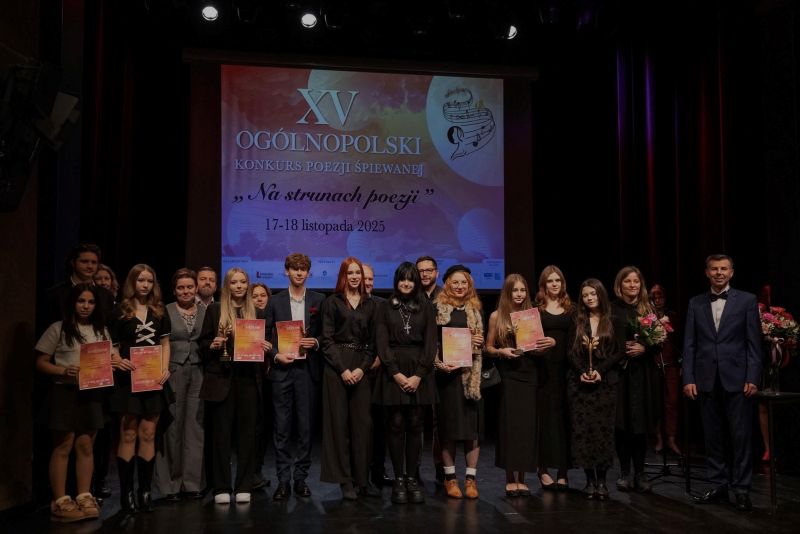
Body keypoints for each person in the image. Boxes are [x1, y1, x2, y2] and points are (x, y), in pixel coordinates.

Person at [683, 254, 761, 511]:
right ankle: (718, 485)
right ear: (707, 272)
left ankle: (742, 489)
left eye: (723, 269)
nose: (719, 273)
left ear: (731, 272)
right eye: (714, 269)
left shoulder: (747, 300)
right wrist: (688, 378)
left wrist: (752, 377)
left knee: (740, 437)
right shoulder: (696, 303)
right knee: (712, 436)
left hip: (737, 379)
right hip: (706, 379)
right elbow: (690, 344)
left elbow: (753, 343)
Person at [35, 284, 110, 522]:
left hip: (91, 393)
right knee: (64, 445)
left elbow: (108, 357)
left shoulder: (101, 330)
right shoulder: (58, 328)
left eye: (91, 302)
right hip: (64, 392)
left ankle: (84, 495)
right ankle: (60, 499)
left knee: (86, 445)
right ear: (72, 303)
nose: (86, 306)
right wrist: (62, 370)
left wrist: (114, 363)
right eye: (81, 301)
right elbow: (41, 362)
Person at [198, 267, 271, 505]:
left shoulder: (257, 312)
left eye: (242, 282)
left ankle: (243, 485)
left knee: (247, 436)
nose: (238, 286)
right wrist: (213, 345)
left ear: (247, 285)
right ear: (227, 286)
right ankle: (221, 486)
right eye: (234, 282)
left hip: (248, 379)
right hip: (222, 378)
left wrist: (267, 347)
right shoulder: (215, 310)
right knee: (221, 435)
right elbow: (202, 344)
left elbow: (266, 344)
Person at [108, 264, 171, 513]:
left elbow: (165, 343)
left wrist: (165, 368)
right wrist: (117, 359)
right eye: (140, 280)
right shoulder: (119, 311)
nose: (145, 285)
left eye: (149, 281)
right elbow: (112, 345)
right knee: (128, 433)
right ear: (132, 282)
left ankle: (145, 492)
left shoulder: (159, 310)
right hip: (128, 380)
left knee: (148, 433)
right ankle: (127, 494)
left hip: (153, 379)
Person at [374, 262, 437, 504]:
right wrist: (396, 373)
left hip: (419, 370)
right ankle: (399, 478)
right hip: (394, 371)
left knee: (416, 424)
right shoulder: (385, 307)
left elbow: (430, 344)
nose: (407, 283)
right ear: (396, 281)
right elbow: (381, 343)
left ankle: (412, 478)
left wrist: (419, 374)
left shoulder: (426, 307)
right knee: (396, 424)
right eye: (403, 279)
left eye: (411, 279)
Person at [266, 253, 325, 500]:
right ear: (286, 271)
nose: (299, 272)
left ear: (308, 273)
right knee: (281, 428)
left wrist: (316, 342)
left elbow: (327, 334)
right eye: (294, 268)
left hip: (307, 371)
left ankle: (300, 479)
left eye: (303, 269)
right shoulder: (275, 301)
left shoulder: (319, 300)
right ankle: (283, 480)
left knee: (305, 428)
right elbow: (265, 336)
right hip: (282, 370)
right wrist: (276, 355)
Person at [320, 258, 379, 499]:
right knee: (338, 425)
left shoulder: (371, 304)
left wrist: (362, 369)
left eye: (358, 273)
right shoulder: (332, 302)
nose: (355, 277)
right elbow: (326, 340)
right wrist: (343, 369)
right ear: (343, 275)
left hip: (361, 366)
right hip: (337, 368)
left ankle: (361, 480)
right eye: (350, 273)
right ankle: (345, 481)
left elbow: (374, 343)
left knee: (362, 426)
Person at [567, 279, 624, 500]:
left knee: (603, 433)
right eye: (585, 295)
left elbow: (619, 351)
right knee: (584, 432)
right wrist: (582, 371)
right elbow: (570, 352)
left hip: (605, 384)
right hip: (580, 384)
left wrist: (600, 370)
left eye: (593, 294)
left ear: (601, 295)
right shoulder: (577, 321)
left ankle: (602, 481)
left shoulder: (613, 320)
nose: (589, 298)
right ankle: (589, 480)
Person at [433, 265, 485, 499]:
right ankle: (450, 478)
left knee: (472, 431)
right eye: (455, 282)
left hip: (470, 376)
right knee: (449, 430)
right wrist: (438, 363)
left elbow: (481, 344)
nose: (460, 286)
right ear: (447, 284)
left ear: (469, 285)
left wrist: (479, 341)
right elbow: (431, 343)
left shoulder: (476, 309)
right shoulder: (437, 308)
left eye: (464, 282)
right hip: (447, 377)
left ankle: (471, 480)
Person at [154, 269, 207, 501]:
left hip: (199, 371)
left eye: (189, 287)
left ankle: (192, 483)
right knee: (172, 427)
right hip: (172, 370)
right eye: (181, 288)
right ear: (174, 290)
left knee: (195, 426)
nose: (186, 291)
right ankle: (170, 485)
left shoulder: (206, 311)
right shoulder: (164, 310)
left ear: (196, 288)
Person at [611, 266, 660, 493]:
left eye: (636, 282)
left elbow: (659, 342)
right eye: (627, 281)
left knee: (640, 424)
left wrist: (645, 348)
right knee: (622, 424)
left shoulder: (648, 309)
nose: (632, 285)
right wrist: (622, 349)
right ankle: (624, 473)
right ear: (619, 285)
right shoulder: (611, 310)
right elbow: (606, 341)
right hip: (620, 373)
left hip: (642, 374)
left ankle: (640, 472)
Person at [534, 266, 573, 490]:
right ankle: (543, 469)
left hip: (566, 370)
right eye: (550, 281)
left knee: (564, 420)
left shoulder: (572, 309)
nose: (555, 284)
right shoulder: (535, 310)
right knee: (546, 421)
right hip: (543, 371)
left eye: (558, 280)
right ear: (544, 285)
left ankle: (563, 470)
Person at [363, 263, 392, 488]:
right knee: (361, 426)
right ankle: (359, 473)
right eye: (364, 278)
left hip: (381, 373)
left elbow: (390, 337)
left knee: (380, 426)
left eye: (371, 279)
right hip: (357, 371)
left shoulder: (384, 304)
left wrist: (381, 358)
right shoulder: (345, 303)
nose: (368, 282)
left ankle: (378, 472)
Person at [649, 284, 682, 456]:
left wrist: (681, 364)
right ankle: (658, 438)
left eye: (660, 296)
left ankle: (671, 438)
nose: (657, 299)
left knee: (672, 402)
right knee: (656, 402)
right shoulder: (646, 317)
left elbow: (680, 340)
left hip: (671, 365)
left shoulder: (673, 316)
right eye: (653, 297)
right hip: (653, 365)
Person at [250, 281, 273, 490]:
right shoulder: (246, 322)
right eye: (255, 295)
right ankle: (251, 473)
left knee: (265, 426)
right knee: (254, 426)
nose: (259, 299)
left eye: (262, 295)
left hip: (271, 379)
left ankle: (257, 471)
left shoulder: (275, 321)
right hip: (252, 379)